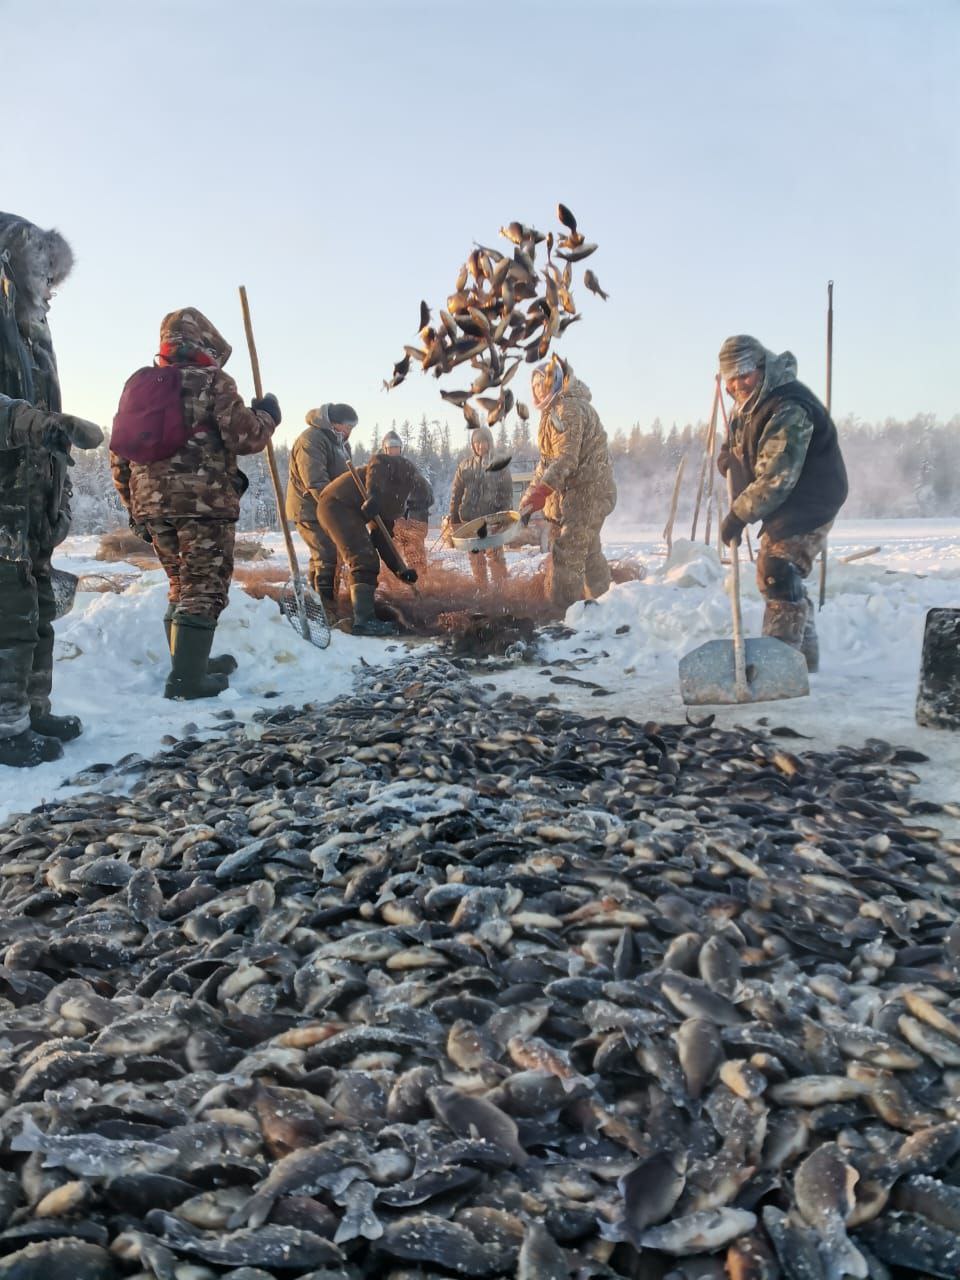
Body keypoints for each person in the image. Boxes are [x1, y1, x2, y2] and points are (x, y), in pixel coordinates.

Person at [110, 308, 279, 699]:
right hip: (203, 505)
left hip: (152, 507)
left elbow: (119, 452)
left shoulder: (138, 386)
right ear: (205, 344)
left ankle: (190, 663)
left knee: (179, 584)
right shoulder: (213, 380)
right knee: (204, 587)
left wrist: (134, 506)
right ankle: (187, 681)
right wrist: (267, 415)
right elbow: (245, 437)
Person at [0, 212, 105, 768]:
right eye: (41, 276)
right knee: (9, 613)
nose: (48, 292)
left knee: (37, 606)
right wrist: (34, 423)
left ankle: (32, 710)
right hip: (1, 502)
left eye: (51, 281)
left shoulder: (33, 338)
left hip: (31, 502)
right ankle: (5, 725)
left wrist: (57, 475)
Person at [716, 335, 848, 672]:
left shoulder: (788, 406)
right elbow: (740, 439)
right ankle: (805, 664)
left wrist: (738, 515)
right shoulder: (748, 402)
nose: (736, 384)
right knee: (778, 575)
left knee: (778, 570)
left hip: (810, 499)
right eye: (730, 377)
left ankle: (780, 669)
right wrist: (729, 456)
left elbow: (777, 476)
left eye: (744, 374)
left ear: (762, 367)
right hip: (786, 499)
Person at [519, 357, 617, 612]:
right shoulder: (551, 413)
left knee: (569, 551)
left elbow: (566, 458)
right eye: (536, 384)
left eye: (545, 382)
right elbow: (545, 463)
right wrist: (528, 499)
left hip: (589, 490)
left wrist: (543, 492)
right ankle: (606, 606)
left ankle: (562, 615)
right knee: (588, 550)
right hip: (579, 492)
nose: (540, 388)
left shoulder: (568, 409)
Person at [314, 451, 433, 636]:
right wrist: (374, 494)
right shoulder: (404, 470)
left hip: (346, 508)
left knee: (367, 556)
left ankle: (363, 616)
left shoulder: (396, 504)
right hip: (336, 504)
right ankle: (364, 621)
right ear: (414, 489)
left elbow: (382, 538)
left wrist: (400, 571)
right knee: (363, 557)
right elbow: (378, 462)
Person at [285, 404, 356, 606]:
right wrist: (334, 509)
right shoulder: (312, 439)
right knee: (326, 554)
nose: (350, 431)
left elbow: (346, 479)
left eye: (352, 427)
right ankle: (325, 608)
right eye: (347, 426)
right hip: (309, 509)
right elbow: (315, 481)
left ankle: (317, 604)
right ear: (334, 423)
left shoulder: (341, 444)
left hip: (328, 508)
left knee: (326, 555)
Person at [449, 426, 512, 589]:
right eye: (476, 442)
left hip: (493, 520)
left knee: (497, 560)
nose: (480, 446)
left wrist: (504, 518)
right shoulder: (465, 466)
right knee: (477, 561)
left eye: (483, 442)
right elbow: (456, 493)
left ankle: (502, 591)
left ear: (489, 443)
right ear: (473, 445)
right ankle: (482, 590)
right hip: (470, 522)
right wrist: (454, 516)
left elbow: (506, 493)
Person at [379, 429, 432, 576]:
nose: (393, 451)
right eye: (390, 448)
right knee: (390, 561)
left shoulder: (409, 468)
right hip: (388, 525)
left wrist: (413, 512)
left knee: (416, 560)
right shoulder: (378, 469)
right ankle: (396, 591)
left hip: (410, 521)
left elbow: (426, 495)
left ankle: (421, 587)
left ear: (400, 449)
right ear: (385, 449)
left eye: (396, 447)